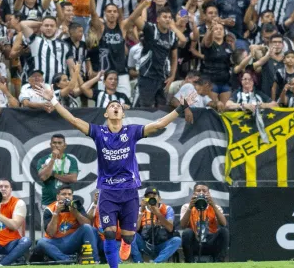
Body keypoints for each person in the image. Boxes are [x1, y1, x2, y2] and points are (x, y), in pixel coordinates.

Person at [33, 80, 197, 268]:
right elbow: (74, 121)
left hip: (129, 190)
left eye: (118, 106)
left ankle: (127, 242)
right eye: (112, 106)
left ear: (123, 113)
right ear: (106, 113)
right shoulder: (99, 132)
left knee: (128, 235)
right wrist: (53, 100)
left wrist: (180, 109)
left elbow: (159, 124)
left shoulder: (132, 131)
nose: (115, 107)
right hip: (108, 191)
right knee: (109, 232)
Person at [36, 185, 100, 262]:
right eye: (64, 194)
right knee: (41, 242)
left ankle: (94, 259)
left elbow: (88, 225)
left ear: (72, 196)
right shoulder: (49, 209)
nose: (67, 196)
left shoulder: (76, 205)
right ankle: (67, 259)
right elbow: (51, 233)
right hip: (57, 243)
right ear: (58, 197)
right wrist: (56, 213)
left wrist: (75, 212)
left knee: (87, 228)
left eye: (69, 194)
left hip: (72, 241)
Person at [180, 183, 229, 262]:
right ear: (193, 193)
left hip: (211, 241)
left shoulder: (216, 207)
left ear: (209, 193)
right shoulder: (186, 206)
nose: (201, 193)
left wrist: (213, 205)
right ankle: (189, 262)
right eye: (198, 191)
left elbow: (223, 224)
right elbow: (182, 226)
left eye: (204, 191)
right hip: (195, 242)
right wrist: (190, 207)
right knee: (187, 232)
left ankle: (219, 262)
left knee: (224, 231)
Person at [135, 187, 181, 263]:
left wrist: (158, 213)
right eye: (148, 197)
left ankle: (156, 263)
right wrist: (141, 211)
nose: (151, 199)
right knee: (132, 236)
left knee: (177, 240)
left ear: (159, 198)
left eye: (154, 197)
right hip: (146, 244)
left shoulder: (167, 209)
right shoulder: (140, 210)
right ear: (145, 199)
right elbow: (135, 230)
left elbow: (170, 228)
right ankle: (139, 263)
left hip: (162, 244)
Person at [37, 134, 79, 207]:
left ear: (64, 145)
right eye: (54, 143)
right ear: (51, 144)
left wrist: (53, 174)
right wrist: (53, 158)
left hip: (67, 202)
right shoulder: (43, 160)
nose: (56, 145)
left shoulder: (71, 160)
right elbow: (43, 177)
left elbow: (73, 179)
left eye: (59, 143)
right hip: (48, 202)